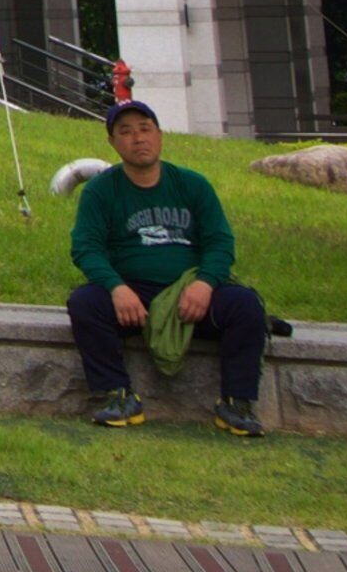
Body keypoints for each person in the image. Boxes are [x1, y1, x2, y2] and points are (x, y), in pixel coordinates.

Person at [68, 97, 268, 436]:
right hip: (133, 295)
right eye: (126, 132)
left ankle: (237, 404)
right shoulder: (101, 191)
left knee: (246, 306)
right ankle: (118, 396)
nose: (138, 138)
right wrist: (117, 288)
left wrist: (205, 284)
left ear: (159, 135)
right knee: (85, 303)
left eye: (145, 129)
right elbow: (86, 248)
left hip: (190, 291)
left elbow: (220, 243)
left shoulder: (193, 185)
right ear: (113, 143)